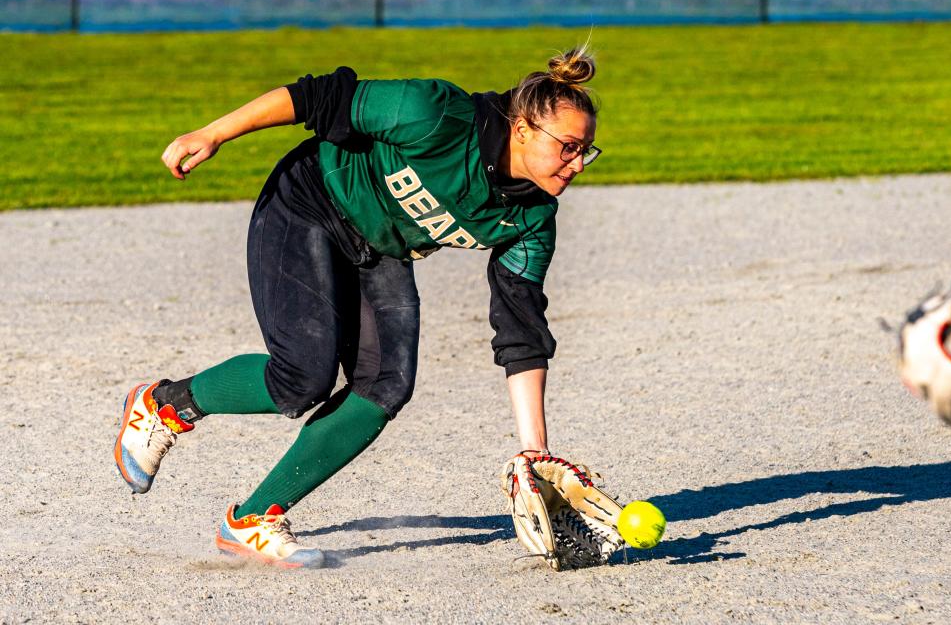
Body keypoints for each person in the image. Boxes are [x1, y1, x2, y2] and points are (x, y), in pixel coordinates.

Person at [114, 46, 602, 568]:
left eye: (586, 152)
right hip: (309, 203)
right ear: (524, 127)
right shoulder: (437, 113)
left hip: (380, 245)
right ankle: (165, 405)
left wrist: (535, 452)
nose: (577, 164)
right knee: (301, 378)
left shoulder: (530, 219)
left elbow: (520, 330)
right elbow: (316, 97)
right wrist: (211, 134)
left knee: (387, 383)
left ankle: (252, 519)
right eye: (569, 147)